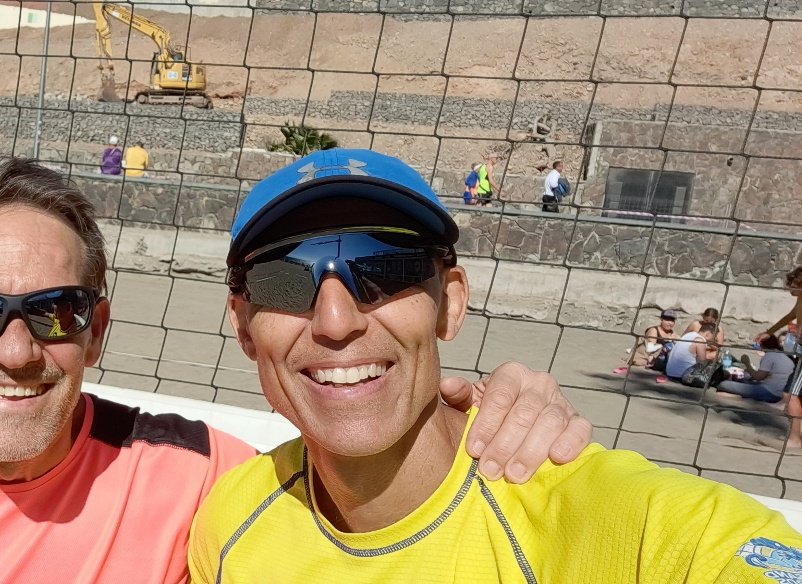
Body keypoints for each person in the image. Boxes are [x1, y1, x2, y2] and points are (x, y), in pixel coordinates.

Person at [0, 152, 594, 583]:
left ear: (98, 331)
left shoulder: (201, 479)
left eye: (56, 310)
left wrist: (498, 408)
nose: (15, 351)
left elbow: (365, 459)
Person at [187, 148, 802, 583]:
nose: (336, 320)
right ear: (243, 327)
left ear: (450, 305)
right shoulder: (230, 521)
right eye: (283, 281)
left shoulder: (627, 523)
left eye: (385, 268)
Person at [764, 266, 802, 449]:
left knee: (792, 395)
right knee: (790, 394)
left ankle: (795, 439)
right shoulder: (800, 300)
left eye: (792, 283)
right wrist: (769, 332)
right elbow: (789, 316)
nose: (789, 287)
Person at [715, 333, 790, 404]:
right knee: (744, 377)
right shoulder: (781, 355)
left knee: (723, 384)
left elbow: (757, 377)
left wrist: (747, 363)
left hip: (769, 393)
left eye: (758, 344)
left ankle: (741, 397)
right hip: (774, 390)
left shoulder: (770, 356)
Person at [613, 309, 680, 382]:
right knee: (670, 346)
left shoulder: (673, 333)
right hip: (652, 360)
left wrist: (676, 340)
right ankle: (668, 373)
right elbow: (650, 349)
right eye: (667, 319)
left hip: (665, 360)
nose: (669, 323)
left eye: (672, 320)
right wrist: (668, 342)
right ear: (661, 319)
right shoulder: (654, 330)